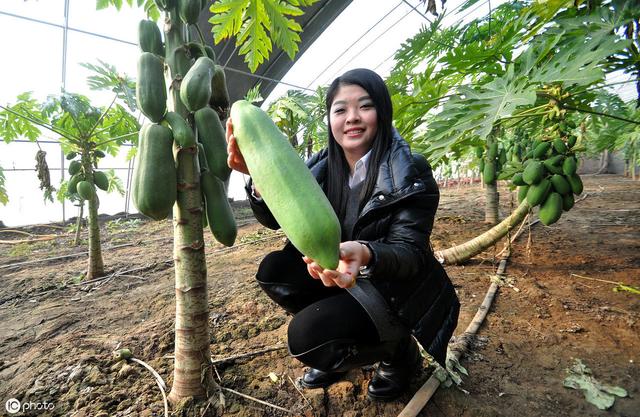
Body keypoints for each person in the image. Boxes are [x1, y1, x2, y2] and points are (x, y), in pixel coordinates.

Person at [225, 68, 459, 401]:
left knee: (307, 337)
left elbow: (411, 254)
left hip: (389, 289)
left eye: (364, 106)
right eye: (340, 110)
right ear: (330, 119)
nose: (352, 118)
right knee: (275, 271)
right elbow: (276, 220)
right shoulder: (318, 164)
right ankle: (342, 344)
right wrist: (260, 177)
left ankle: (399, 352)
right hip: (337, 274)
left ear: (382, 112)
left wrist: (365, 253)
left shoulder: (410, 169)